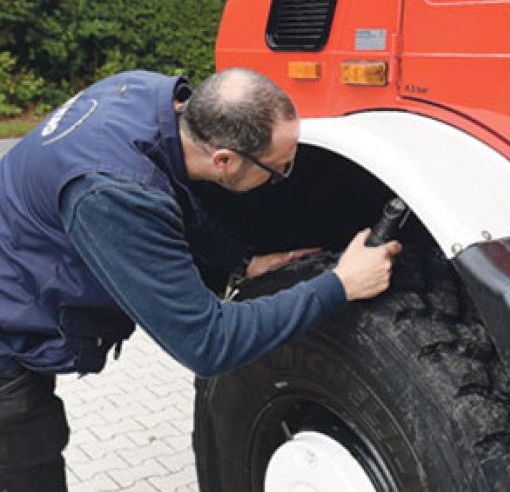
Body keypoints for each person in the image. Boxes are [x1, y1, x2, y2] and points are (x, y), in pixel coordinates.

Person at [0, 68, 401, 491]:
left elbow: (177, 196)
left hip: (18, 268)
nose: (284, 174)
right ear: (224, 160)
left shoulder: (145, 97)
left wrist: (243, 262)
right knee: (25, 459)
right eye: (279, 169)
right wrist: (341, 284)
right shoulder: (110, 194)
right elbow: (209, 343)